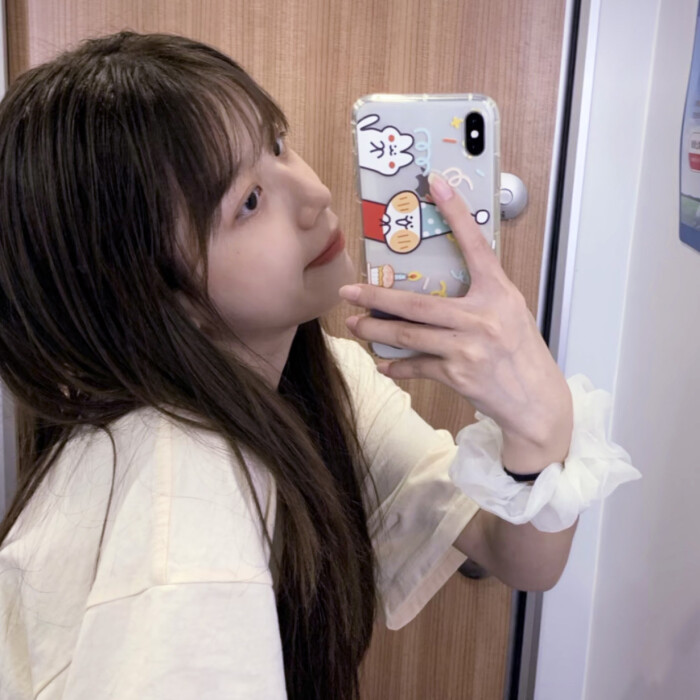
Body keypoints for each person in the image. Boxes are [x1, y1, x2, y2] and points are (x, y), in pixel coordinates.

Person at [0, 31, 640, 700]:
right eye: (249, 202)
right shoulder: (179, 497)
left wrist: (538, 424)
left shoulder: (320, 376)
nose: (314, 195)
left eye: (278, 144)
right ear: (146, 294)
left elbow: (514, 555)